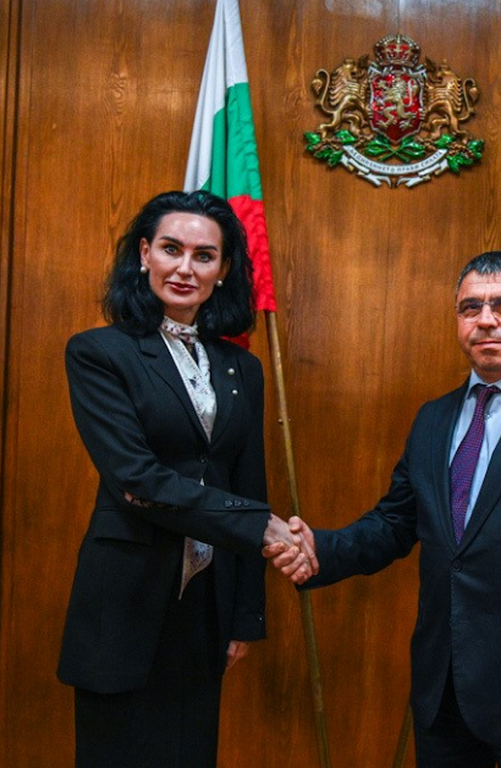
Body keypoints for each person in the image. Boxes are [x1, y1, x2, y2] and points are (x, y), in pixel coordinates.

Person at [269, 251, 501, 767]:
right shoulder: (434, 418)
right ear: (458, 320)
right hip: (443, 694)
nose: (486, 319)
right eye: (471, 307)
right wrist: (321, 548)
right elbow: (394, 524)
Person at [58, 189, 315, 768]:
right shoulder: (99, 353)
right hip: (125, 598)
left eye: (204, 256)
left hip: (206, 602)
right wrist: (263, 527)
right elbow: (137, 478)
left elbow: (248, 482)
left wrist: (245, 614)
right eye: (171, 249)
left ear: (223, 270)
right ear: (144, 254)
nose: (185, 268)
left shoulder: (242, 367)